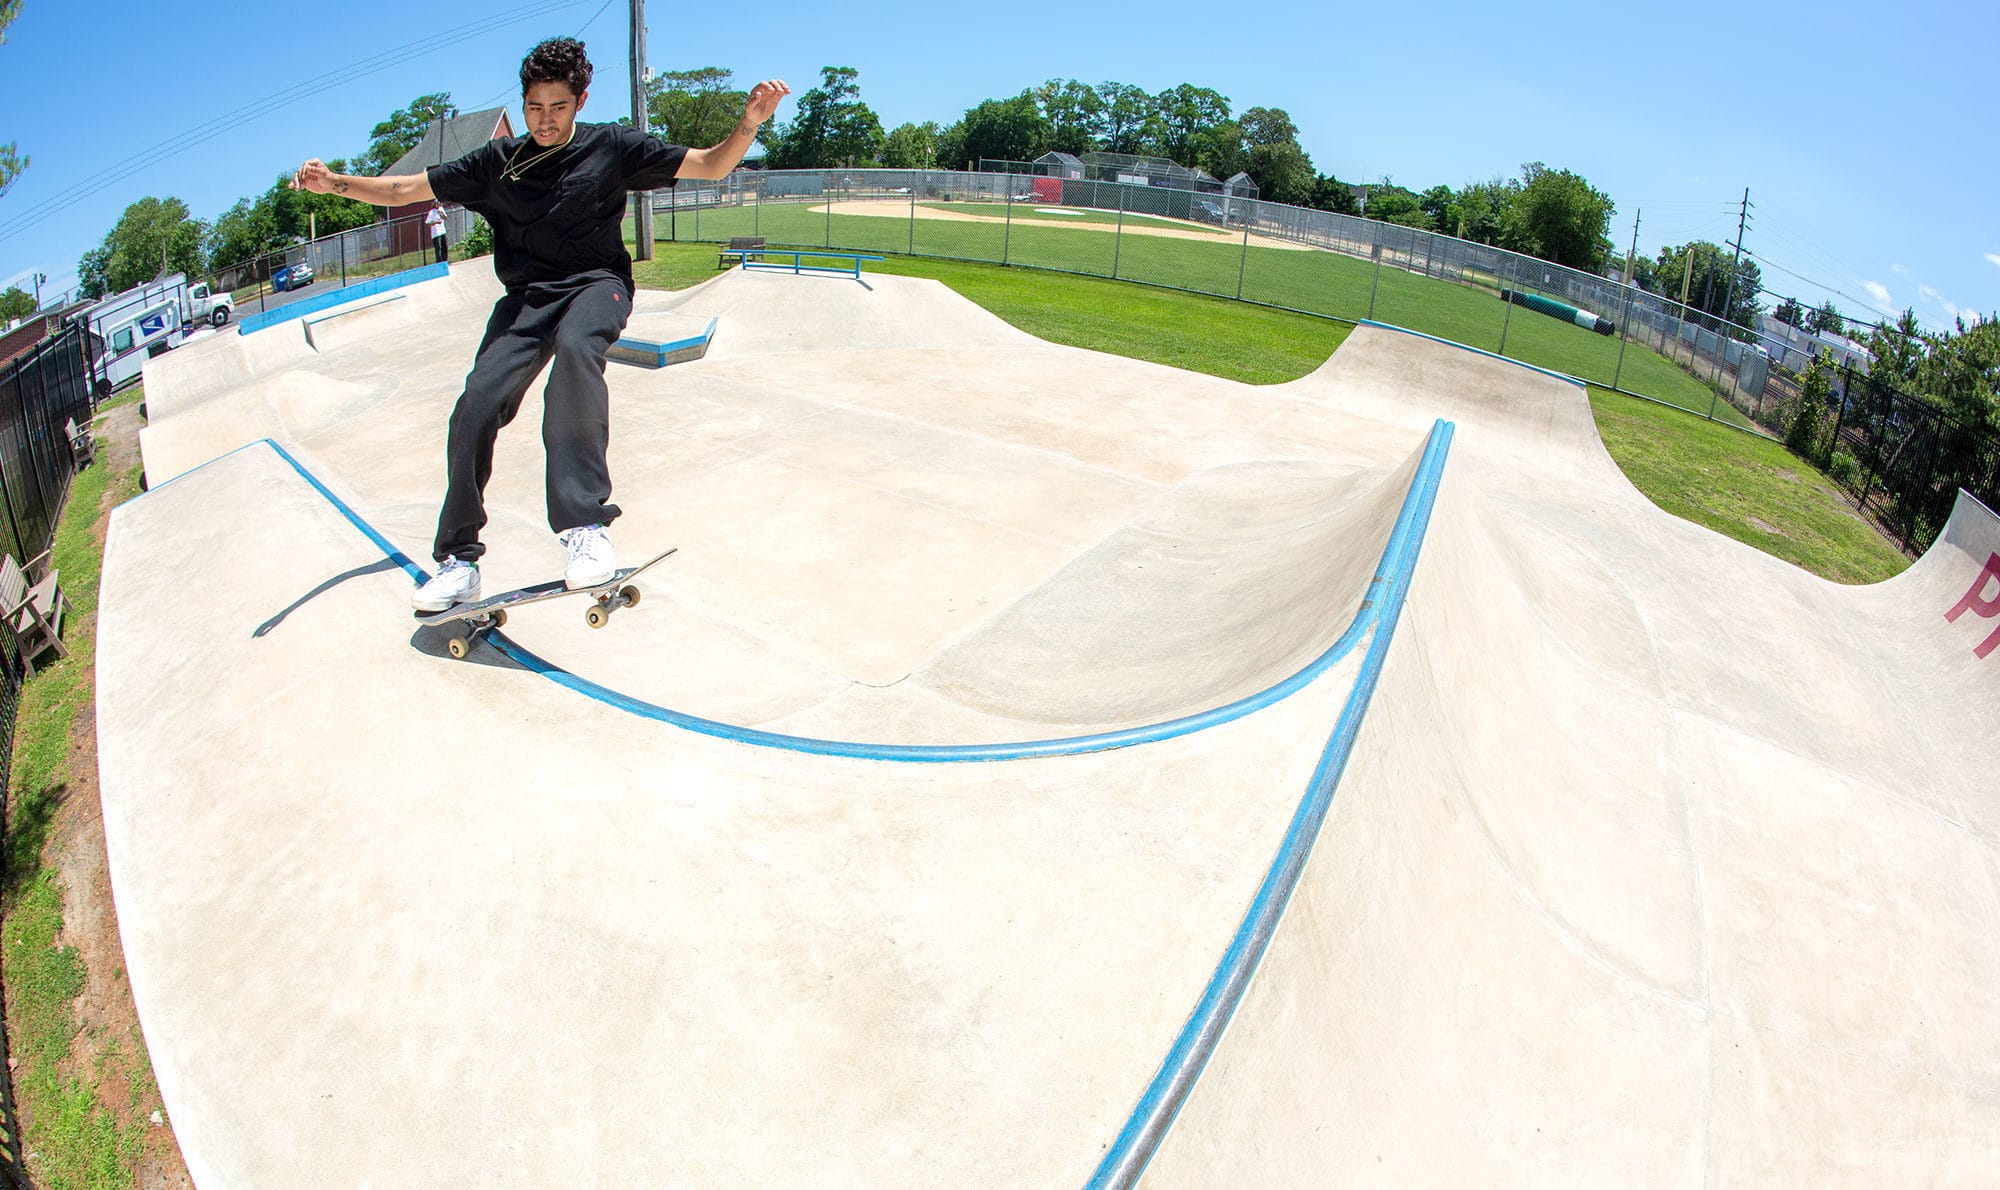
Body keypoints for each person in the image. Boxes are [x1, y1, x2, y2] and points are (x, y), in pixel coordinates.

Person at [290, 38, 788, 610]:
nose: (544, 120)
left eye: (557, 107)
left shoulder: (612, 146)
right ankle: (458, 560)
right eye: (534, 107)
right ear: (522, 103)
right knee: (476, 404)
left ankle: (584, 528)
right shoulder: (495, 162)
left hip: (596, 285)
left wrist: (748, 124)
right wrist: (338, 184)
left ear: (580, 101)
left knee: (577, 353)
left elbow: (710, 164)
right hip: (526, 300)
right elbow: (405, 189)